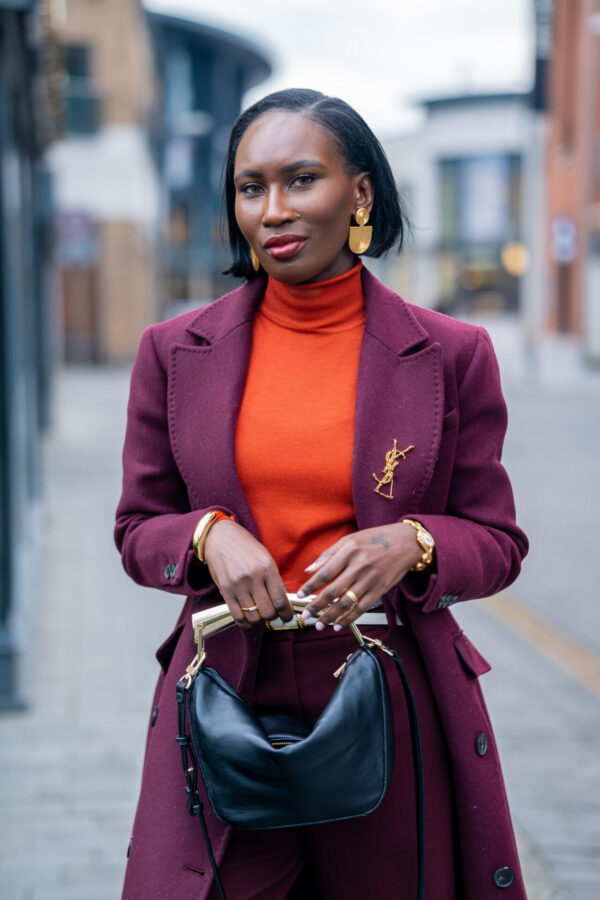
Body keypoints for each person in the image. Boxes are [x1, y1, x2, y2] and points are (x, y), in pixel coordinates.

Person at [115, 88, 529, 900]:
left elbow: (499, 540)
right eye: (250, 187)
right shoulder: (174, 351)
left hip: (386, 691)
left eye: (301, 180)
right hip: (227, 685)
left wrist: (414, 542)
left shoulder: (451, 353)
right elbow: (137, 527)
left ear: (361, 192)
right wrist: (206, 536)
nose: (273, 210)